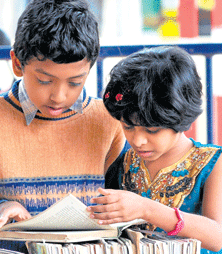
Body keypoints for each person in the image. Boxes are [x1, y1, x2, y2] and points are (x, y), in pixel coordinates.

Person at [0, 0, 125, 252]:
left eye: (75, 82)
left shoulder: (109, 121)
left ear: (90, 69)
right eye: (44, 80)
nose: (59, 96)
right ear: (17, 64)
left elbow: (128, 201)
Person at [87, 46, 222, 254]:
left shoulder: (213, 163)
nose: (138, 140)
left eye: (152, 130)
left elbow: (217, 237)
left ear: (181, 118)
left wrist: (147, 209)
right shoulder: (123, 162)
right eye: (128, 127)